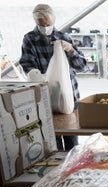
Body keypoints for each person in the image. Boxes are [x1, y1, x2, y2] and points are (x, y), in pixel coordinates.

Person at [19, 4, 87, 151]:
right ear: (36, 22)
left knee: (72, 142)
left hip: (68, 97)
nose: (45, 27)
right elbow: (27, 64)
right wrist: (37, 75)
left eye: (48, 24)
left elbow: (82, 65)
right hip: (46, 98)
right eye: (41, 25)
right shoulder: (30, 39)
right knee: (52, 142)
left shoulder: (64, 37)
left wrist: (70, 50)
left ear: (53, 21)